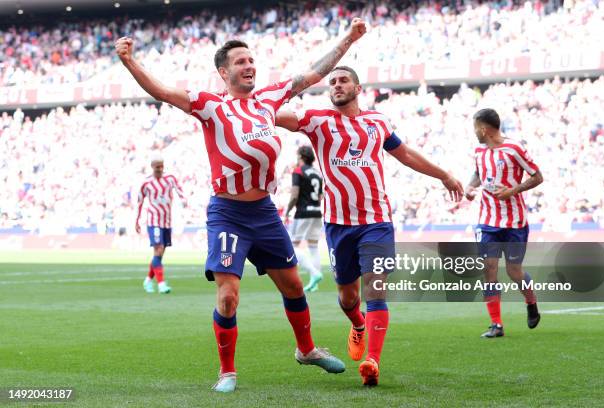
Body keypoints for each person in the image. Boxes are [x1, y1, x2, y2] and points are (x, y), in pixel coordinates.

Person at [115, 18, 367, 392]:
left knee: (295, 287)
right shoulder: (210, 104)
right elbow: (164, 92)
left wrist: (349, 37)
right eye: (240, 61)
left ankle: (307, 349)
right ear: (223, 71)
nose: (249, 66)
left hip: (264, 212)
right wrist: (129, 61)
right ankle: (227, 372)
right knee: (229, 296)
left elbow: (314, 73)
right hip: (228, 213)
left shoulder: (268, 99)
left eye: (251, 60)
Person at [276, 66, 464, 386]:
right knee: (348, 297)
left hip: (376, 221)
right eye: (332, 82)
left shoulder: (377, 122)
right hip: (338, 225)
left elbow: (403, 153)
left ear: (358, 88)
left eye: (343, 80)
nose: (336, 85)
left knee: (375, 288)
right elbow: (277, 115)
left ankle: (372, 361)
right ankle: (359, 324)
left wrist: (443, 174)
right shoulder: (318, 120)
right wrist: (249, 103)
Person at [464, 108, 544, 338]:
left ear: (483, 129)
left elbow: (538, 176)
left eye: (475, 128)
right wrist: (471, 187)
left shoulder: (514, 148)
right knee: (488, 270)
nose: (474, 132)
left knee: (513, 271)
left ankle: (530, 301)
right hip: (487, 221)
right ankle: (496, 324)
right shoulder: (479, 150)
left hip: (514, 221)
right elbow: (479, 173)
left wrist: (513, 190)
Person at [136, 156, 186, 294]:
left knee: (159, 254)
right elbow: (139, 202)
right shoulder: (146, 183)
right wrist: (137, 220)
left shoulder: (170, 178)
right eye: (157, 166)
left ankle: (147, 280)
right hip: (154, 221)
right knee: (158, 250)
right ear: (152, 167)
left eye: (161, 166)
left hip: (167, 221)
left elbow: (179, 189)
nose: (160, 169)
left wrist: (184, 200)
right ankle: (161, 284)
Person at [285, 145, 325, 292]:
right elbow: (321, 196)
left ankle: (314, 274)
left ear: (301, 156)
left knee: (292, 247)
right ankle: (315, 284)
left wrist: (288, 211)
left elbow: (295, 195)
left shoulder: (298, 171)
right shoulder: (317, 173)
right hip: (316, 212)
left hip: (303, 213)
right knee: (313, 247)